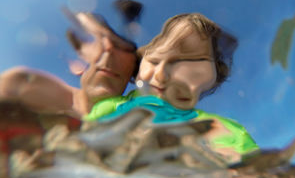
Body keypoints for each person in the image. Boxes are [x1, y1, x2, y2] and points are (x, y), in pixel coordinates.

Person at [85, 13, 259, 163]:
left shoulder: (222, 127)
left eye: (180, 67)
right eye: (153, 61)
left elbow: (252, 169)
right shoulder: (109, 107)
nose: (160, 75)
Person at [0, 12, 138, 118]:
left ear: (135, 69)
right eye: (93, 38)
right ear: (77, 54)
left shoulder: (147, 110)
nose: (108, 48)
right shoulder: (19, 85)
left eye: (121, 44)